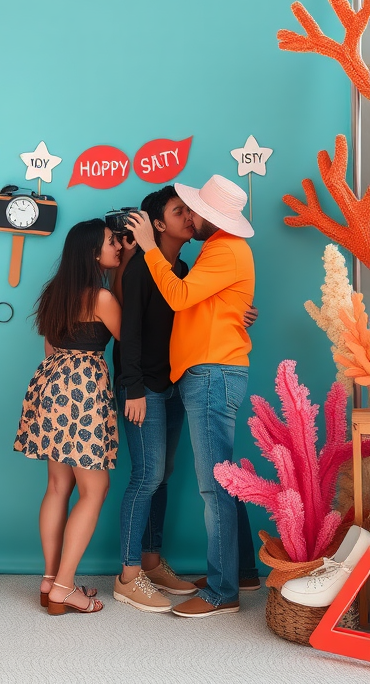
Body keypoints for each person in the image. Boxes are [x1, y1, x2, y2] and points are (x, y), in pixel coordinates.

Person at [113, 186, 258, 613]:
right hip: (165, 381)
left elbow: (186, 299)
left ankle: (217, 587)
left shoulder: (206, 256)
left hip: (198, 377)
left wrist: (237, 311)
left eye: (194, 210)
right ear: (158, 223)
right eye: (183, 211)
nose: (191, 217)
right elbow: (134, 329)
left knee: (210, 482)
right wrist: (133, 386)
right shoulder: (155, 264)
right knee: (188, 478)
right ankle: (137, 571)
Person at [14, 219, 122, 615]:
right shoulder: (103, 298)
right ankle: (63, 588)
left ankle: (49, 579)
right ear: (94, 253)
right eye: (113, 242)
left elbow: (49, 348)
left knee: (58, 486)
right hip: (84, 389)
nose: (118, 247)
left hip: (50, 384)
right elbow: (133, 341)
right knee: (95, 489)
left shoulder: (53, 293)